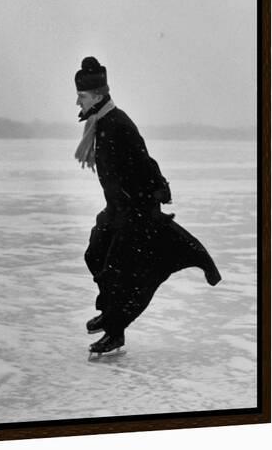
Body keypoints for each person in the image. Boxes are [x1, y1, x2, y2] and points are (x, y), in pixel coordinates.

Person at [74, 56, 222, 354]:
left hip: (134, 211)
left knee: (118, 271)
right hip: (116, 209)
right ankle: (109, 312)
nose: (77, 102)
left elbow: (142, 159)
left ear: (98, 96)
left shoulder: (118, 124)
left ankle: (115, 332)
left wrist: (158, 189)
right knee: (95, 255)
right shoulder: (100, 124)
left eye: (81, 96)